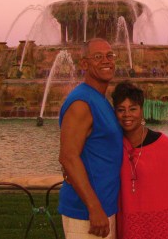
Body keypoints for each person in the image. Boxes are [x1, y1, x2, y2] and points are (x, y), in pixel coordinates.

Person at [111, 81, 168, 239]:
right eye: (120, 110)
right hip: (127, 223)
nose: (127, 115)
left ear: (142, 111)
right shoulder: (112, 146)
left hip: (161, 228)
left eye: (133, 109)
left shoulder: (164, 147)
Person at [59, 38, 123, 239]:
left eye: (109, 55)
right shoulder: (81, 103)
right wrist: (94, 208)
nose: (106, 61)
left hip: (103, 208)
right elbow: (68, 157)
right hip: (87, 214)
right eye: (98, 57)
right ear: (84, 64)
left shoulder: (99, 99)